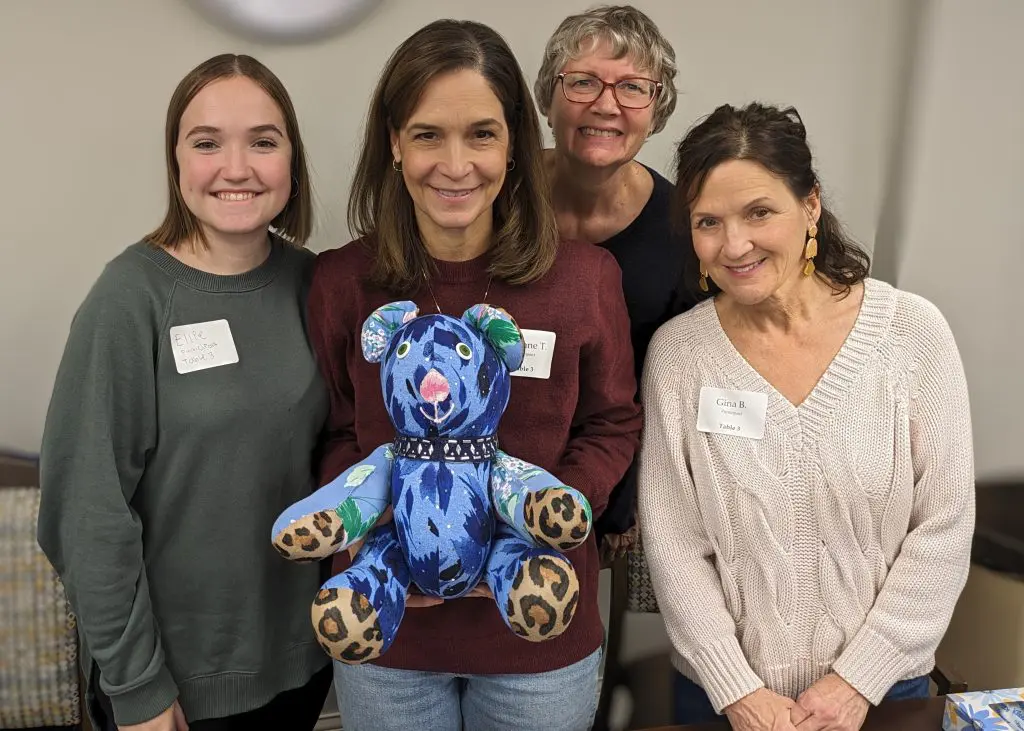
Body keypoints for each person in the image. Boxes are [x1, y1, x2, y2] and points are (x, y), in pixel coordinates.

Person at [309, 19, 642, 731]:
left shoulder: (585, 279)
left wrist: (543, 517)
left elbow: (613, 423)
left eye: (481, 134)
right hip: (391, 629)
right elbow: (335, 430)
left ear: (515, 143)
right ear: (394, 143)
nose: (455, 164)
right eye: (428, 134)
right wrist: (372, 529)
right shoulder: (342, 283)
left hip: (537, 630)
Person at [638, 102, 975, 731]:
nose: (734, 245)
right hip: (723, 702)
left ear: (811, 206)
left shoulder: (912, 334)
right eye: (708, 222)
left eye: (759, 212)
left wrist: (855, 682)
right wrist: (740, 692)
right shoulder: (679, 356)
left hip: (881, 694)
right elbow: (673, 540)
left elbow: (945, 526)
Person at [38, 54, 332, 731]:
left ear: (292, 160)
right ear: (176, 161)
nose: (237, 167)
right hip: (172, 689)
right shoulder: (129, 297)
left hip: (302, 663)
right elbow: (85, 510)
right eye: (207, 143)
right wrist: (137, 684)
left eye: (263, 141)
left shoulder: (317, 284)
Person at [535, 5, 696, 556]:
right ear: (548, 97)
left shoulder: (683, 232)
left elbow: (666, 388)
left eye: (632, 87)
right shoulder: (494, 197)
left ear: (656, 110)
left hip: (607, 482)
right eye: (582, 81)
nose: (606, 105)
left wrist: (624, 506)